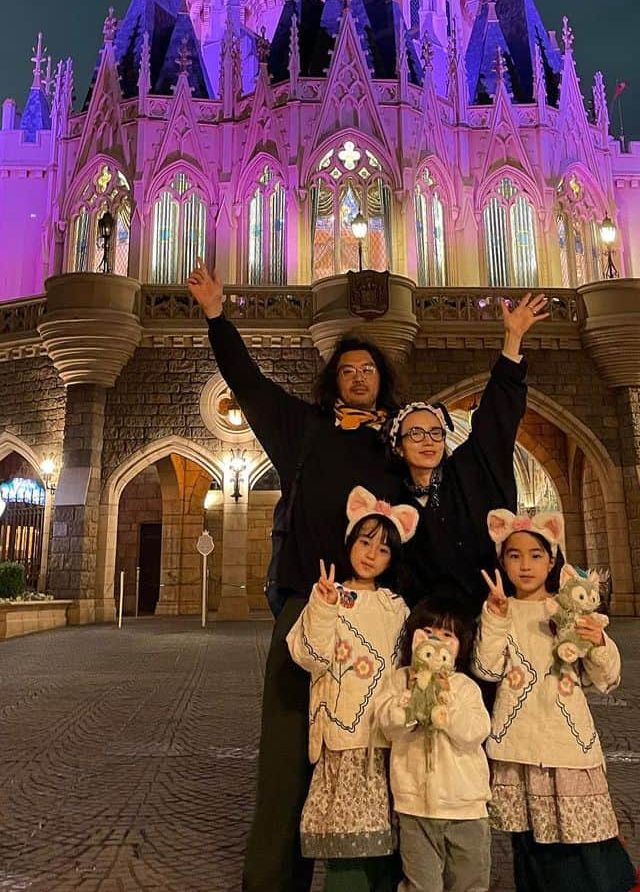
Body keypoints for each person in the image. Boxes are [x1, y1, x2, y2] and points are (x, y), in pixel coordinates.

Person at [188, 258, 408, 892]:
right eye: (348, 370)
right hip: (307, 608)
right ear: (333, 382)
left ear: (381, 381)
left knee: (374, 749)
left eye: (368, 370)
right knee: (287, 754)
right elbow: (250, 384)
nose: (359, 377)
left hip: (377, 612)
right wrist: (215, 315)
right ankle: (274, 880)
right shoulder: (304, 431)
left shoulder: (399, 444)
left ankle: (368, 876)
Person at [473, 510, 640, 892]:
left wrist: (598, 643)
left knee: (583, 845)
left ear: (551, 560)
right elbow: (486, 668)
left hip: (568, 746)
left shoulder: (569, 610)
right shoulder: (500, 610)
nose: (526, 565)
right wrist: (495, 618)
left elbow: (606, 678)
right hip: (518, 748)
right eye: (514, 555)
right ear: (502, 560)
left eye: (536, 555)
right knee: (530, 847)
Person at [286, 488, 418, 891]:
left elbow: (404, 663)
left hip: (386, 738)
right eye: (364, 542)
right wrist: (324, 607)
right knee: (348, 846)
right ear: (349, 544)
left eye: (382, 548)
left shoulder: (397, 606)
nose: (371, 554)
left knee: (386, 842)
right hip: (344, 737)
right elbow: (309, 655)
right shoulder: (329, 597)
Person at [390, 293, 549, 611]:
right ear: (399, 445)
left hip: (484, 612)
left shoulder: (466, 473)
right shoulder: (391, 496)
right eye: (416, 433)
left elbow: (494, 420)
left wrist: (512, 339)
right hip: (424, 623)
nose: (428, 441)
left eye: (435, 432)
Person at [374, 595, 493, 892]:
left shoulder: (465, 687)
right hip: (415, 806)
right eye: (428, 633)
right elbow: (388, 726)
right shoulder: (399, 680)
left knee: (470, 881)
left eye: (447, 635)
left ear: (460, 646)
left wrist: (445, 708)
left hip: (465, 807)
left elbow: (476, 732)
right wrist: (413, 700)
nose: (436, 641)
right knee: (421, 884)